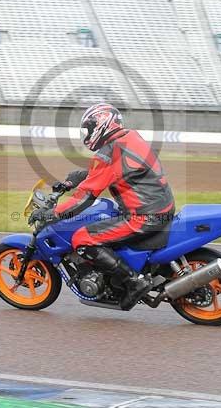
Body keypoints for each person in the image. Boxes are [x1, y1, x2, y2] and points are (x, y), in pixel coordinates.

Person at [28, 103, 175, 309]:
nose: (87, 135)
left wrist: (52, 213)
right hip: (161, 207)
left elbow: (84, 199)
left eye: (89, 129)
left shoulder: (108, 153)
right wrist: (74, 180)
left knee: (82, 238)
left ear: (102, 125)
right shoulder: (130, 137)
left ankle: (134, 282)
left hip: (143, 216)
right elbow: (111, 171)